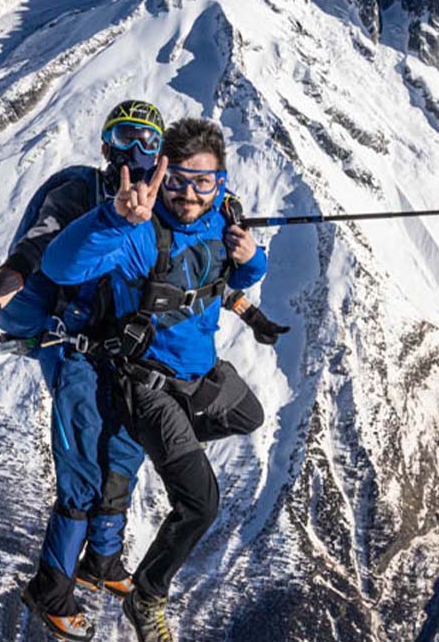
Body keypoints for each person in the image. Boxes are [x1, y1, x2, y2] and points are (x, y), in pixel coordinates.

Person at [42, 118, 271, 642]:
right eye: (178, 181)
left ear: (221, 182)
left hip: (198, 377)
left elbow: (238, 277)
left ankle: (158, 439)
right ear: (161, 175)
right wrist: (114, 220)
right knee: (200, 503)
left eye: (203, 182)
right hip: (147, 386)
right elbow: (60, 265)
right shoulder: (139, 234)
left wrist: (251, 257)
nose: (189, 194)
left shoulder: (221, 219)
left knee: (247, 414)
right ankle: (148, 596)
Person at [0, 100, 168, 642]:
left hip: (125, 353)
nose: (137, 151)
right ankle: (51, 591)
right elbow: (34, 252)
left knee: (124, 452)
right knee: (82, 468)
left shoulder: (163, 205)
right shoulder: (77, 194)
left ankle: (102, 561)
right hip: (73, 346)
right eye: (126, 137)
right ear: (107, 146)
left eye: (149, 141)